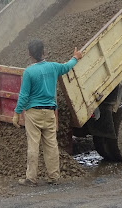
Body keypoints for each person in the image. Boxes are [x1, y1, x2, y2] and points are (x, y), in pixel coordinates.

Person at [13, 39, 83, 186]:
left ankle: (31, 178)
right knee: (51, 145)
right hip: (50, 113)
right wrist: (76, 57)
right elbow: (67, 66)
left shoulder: (29, 72)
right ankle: (54, 177)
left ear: (29, 54)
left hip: (33, 113)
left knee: (33, 145)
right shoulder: (53, 67)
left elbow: (24, 95)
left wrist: (17, 112)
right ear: (44, 52)